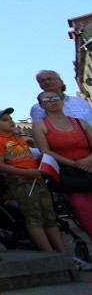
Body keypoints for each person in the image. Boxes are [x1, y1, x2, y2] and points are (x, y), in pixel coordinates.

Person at [0, 107, 67, 254]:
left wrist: (40, 161)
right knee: (34, 217)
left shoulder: (19, 139)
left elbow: (27, 158)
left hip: (36, 178)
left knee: (49, 216)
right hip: (21, 181)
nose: (10, 122)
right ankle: (49, 252)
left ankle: (62, 251)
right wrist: (26, 172)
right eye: (5, 120)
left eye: (10, 119)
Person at [31, 90, 92, 240]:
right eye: (47, 99)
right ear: (41, 105)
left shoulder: (79, 122)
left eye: (56, 97)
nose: (53, 101)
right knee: (83, 209)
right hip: (72, 177)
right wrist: (75, 164)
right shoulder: (40, 126)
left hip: (90, 166)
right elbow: (46, 151)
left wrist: (88, 160)